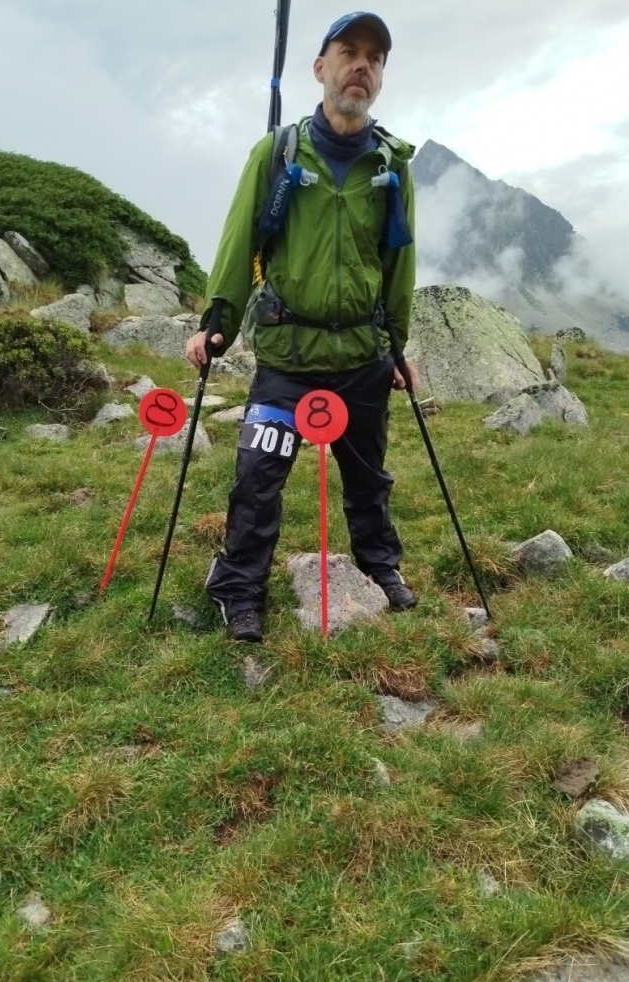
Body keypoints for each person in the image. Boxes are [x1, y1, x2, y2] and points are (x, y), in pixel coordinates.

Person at [186, 11, 419, 643]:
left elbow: (398, 261)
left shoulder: (393, 164)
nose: (361, 65)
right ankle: (238, 588)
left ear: (380, 77)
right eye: (349, 52)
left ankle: (380, 566)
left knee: (369, 478)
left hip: (363, 355)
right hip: (287, 356)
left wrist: (397, 347)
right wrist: (217, 321)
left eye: (374, 58)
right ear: (320, 68)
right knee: (257, 480)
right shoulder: (277, 152)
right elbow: (239, 240)